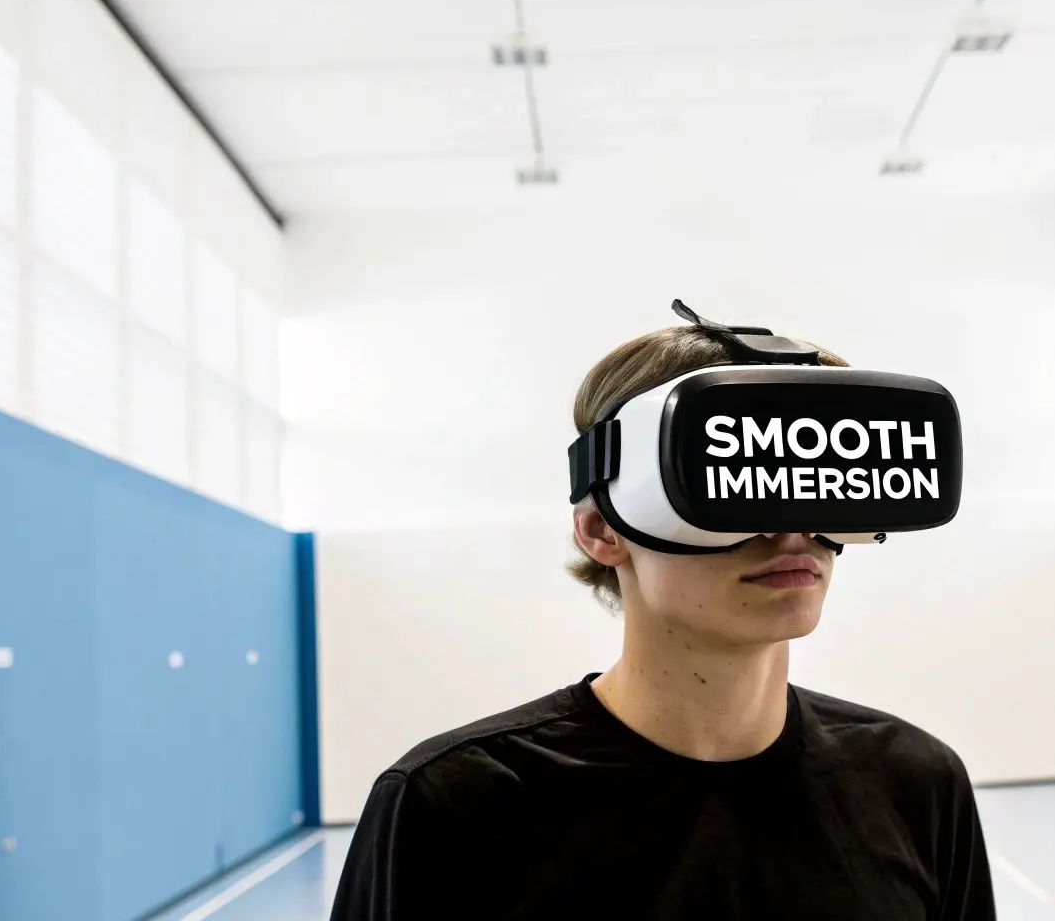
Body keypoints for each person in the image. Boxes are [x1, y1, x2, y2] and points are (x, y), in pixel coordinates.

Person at [330, 322, 996, 919]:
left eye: (815, 482)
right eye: (729, 481)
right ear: (602, 531)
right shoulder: (453, 806)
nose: (793, 528)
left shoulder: (919, 784)